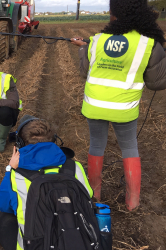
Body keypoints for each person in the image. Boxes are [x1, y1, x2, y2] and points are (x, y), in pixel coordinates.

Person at [70, 0, 166, 211]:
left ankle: (94, 195)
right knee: (130, 148)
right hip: (124, 109)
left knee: (96, 145)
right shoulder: (148, 44)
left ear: (113, 14)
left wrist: (82, 50)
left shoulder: (95, 41)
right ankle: (132, 202)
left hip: (94, 105)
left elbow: (84, 72)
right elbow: (156, 83)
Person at [0, 115, 93, 250]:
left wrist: (10, 168)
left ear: (19, 145)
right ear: (55, 141)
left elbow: (3, 206)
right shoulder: (75, 167)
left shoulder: (17, 175)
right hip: (77, 242)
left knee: (4, 218)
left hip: (38, 245)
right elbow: (89, 195)